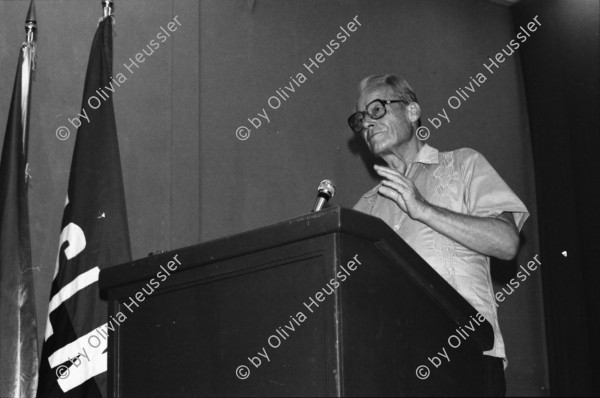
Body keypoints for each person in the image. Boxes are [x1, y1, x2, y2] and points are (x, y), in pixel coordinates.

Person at [349, 74, 529, 396]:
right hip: (389, 368)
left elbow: (506, 242)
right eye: (360, 118)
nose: (367, 124)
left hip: (463, 358)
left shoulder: (463, 164)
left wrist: (424, 209)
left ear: (412, 111)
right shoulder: (364, 207)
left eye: (376, 110)